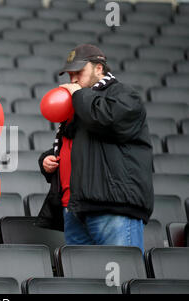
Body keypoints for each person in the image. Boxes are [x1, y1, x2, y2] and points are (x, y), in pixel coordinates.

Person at [36, 44, 153, 252]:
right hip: (75, 208)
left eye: (78, 73)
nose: (72, 81)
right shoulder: (82, 103)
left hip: (113, 208)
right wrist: (48, 159)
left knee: (120, 278)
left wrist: (78, 95)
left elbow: (106, 120)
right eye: (70, 75)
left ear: (99, 69)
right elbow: (78, 145)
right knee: (84, 282)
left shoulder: (124, 94)